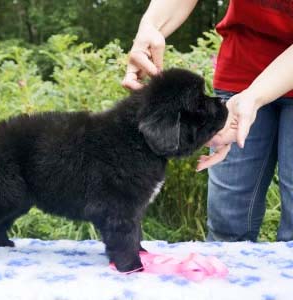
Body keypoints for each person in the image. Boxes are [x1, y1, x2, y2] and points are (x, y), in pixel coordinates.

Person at [123, 0, 293, 242]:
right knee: (227, 220)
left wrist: (254, 97)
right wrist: (151, 25)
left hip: (249, 93)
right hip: (241, 70)